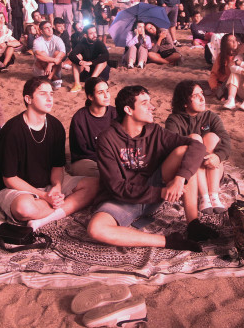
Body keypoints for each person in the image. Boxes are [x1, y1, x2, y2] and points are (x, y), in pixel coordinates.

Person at [88, 85, 217, 251]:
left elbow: (197, 147)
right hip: (121, 200)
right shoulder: (107, 139)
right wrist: (161, 193)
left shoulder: (155, 131)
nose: (152, 107)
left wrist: (179, 179)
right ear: (128, 110)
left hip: (152, 190)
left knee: (185, 152)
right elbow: (116, 187)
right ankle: (168, 241)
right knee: (96, 229)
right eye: (144, 103)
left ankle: (193, 225)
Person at [0, 77, 98, 230]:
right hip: (19, 189)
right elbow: (9, 179)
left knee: (97, 184)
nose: (50, 98)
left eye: (51, 93)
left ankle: (43, 218)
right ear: (28, 99)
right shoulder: (12, 131)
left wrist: (56, 187)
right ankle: (63, 207)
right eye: (43, 94)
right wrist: (43, 196)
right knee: (24, 209)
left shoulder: (56, 126)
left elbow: (57, 166)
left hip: (49, 184)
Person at [165, 81, 232, 214]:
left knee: (212, 137)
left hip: (212, 169)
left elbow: (225, 140)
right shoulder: (174, 121)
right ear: (185, 102)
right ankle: (204, 197)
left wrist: (218, 157)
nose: (202, 98)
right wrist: (199, 154)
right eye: (196, 96)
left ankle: (213, 195)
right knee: (195, 140)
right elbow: (171, 147)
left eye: (202, 93)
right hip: (189, 172)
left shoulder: (211, 116)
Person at [68, 77, 116, 177]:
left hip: (113, 159)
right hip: (87, 160)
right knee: (102, 175)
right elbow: (82, 151)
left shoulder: (115, 114)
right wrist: (106, 160)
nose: (106, 95)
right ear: (90, 96)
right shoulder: (80, 118)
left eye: (107, 91)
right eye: (101, 92)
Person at [68, 25, 110, 93]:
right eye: (91, 33)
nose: (94, 35)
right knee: (77, 57)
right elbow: (71, 55)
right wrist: (81, 62)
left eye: (95, 32)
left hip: (98, 73)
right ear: (85, 35)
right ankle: (77, 84)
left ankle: (91, 82)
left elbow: (106, 56)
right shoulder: (82, 43)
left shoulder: (99, 43)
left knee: (103, 61)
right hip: (86, 72)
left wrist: (90, 62)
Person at [32, 20, 66, 90]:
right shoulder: (37, 41)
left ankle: (49, 78)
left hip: (54, 69)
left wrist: (50, 64)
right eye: (46, 28)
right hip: (41, 70)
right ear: (41, 31)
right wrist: (53, 60)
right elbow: (38, 55)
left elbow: (63, 53)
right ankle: (54, 78)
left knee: (58, 53)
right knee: (42, 54)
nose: (49, 29)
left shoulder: (57, 39)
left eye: (50, 27)